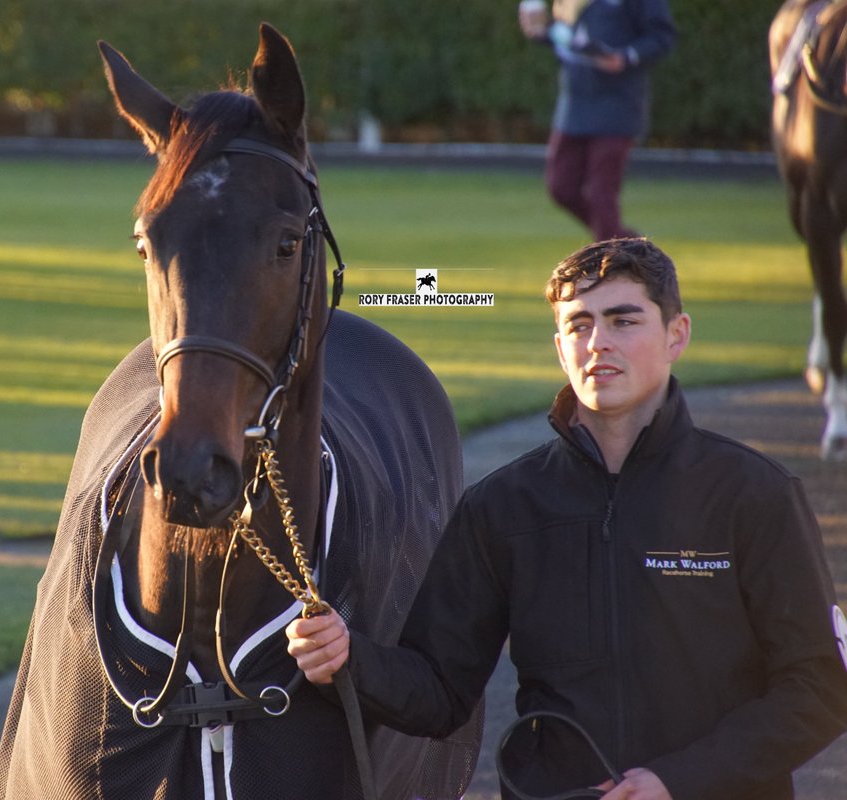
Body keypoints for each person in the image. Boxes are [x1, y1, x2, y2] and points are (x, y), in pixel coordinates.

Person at [288, 237, 847, 799]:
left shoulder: (755, 493)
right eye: (580, 325)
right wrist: (348, 658)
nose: (598, 342)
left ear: (676, 335)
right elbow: (439, 691)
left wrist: (676, 782)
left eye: (624, 320)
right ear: (561, 348)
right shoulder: (503, 505)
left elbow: (820, 688)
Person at [519, 0, 676, 241]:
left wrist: (626, 56)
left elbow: (662, 37)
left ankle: (613, 255)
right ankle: (626, 244)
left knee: (601, 194)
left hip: (618, 104)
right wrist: (541, 32)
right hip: (574, 103)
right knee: (562, 187)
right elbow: (570, 37)